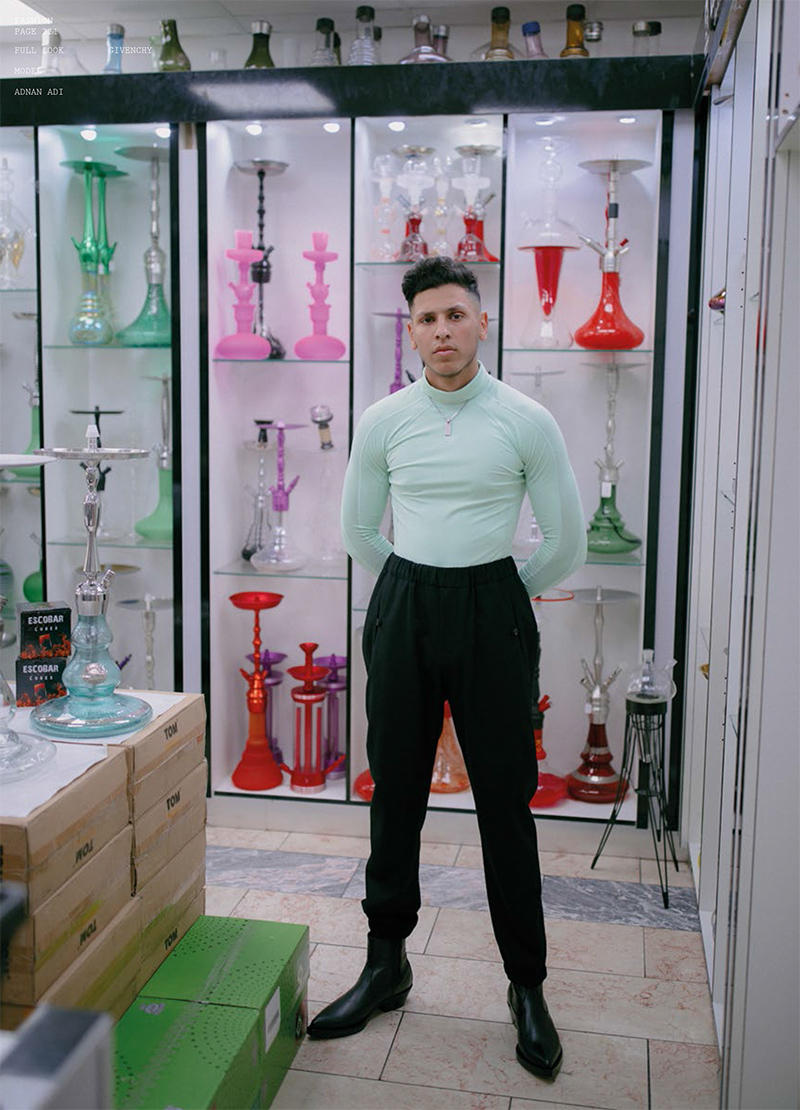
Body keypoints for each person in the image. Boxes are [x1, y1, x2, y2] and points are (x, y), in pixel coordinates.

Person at [307, 257, 586, 1081]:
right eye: (427, 319)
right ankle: (385, 963)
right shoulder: (384, 420)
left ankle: (527, 985)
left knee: (505, 800)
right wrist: (415, 588)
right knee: (394, 789)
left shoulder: (526, 420)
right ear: (411, 330)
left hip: (494, 608)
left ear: (481, 322)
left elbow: (565, 541)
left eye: (456, 315)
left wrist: (499, 595)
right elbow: (360, 532)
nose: (442, 331)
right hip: (404, 607)